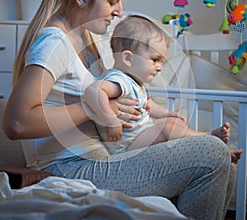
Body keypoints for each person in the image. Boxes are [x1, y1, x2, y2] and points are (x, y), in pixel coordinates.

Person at [3, 0, 238, 220]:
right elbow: (16, 122)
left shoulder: (83, 39)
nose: (120, 11)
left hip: (100, 156)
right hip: (71, 168)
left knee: (225, 163)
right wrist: (94, 109)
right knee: (211, 153)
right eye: (113, 1)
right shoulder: (55, 42)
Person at [83, 15, 237, 156]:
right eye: (155, 60)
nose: (159, 67)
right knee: (167, 128)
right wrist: (111, 120)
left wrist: (165, 113)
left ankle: (214, 152)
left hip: (140, 139)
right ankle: (208, 137)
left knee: (173, 126)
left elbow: (147, 104)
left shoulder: (134, 83)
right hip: (126, 147)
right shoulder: (119, 80)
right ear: (128, 58)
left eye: (161, 62)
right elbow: (94, 91)